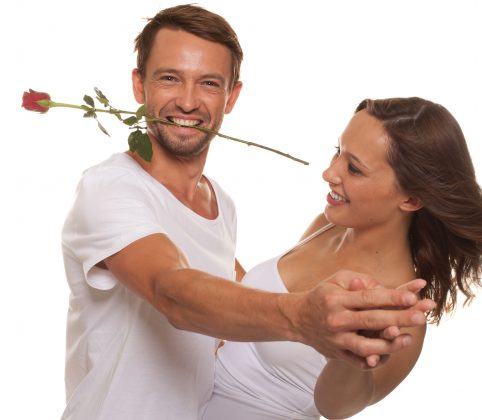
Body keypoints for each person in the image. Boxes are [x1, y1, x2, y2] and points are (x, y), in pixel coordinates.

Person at [60, 5, 432, 420]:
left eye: (208, 83)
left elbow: (221, 297)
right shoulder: (109, 188)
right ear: (139, 85)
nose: (187, 101)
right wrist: (301, 317)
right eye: (169, 78)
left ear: (231, 96)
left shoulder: (220, 204)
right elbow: (173, 291)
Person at [201, 96, 482, 419]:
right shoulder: (327, 227)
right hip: (182, 399)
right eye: (338, 152)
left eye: (354, 168)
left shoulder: (396, 309)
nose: (329, 173)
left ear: (412, 198)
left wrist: (351, 357)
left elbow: (337, 408)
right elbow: (267, 306)